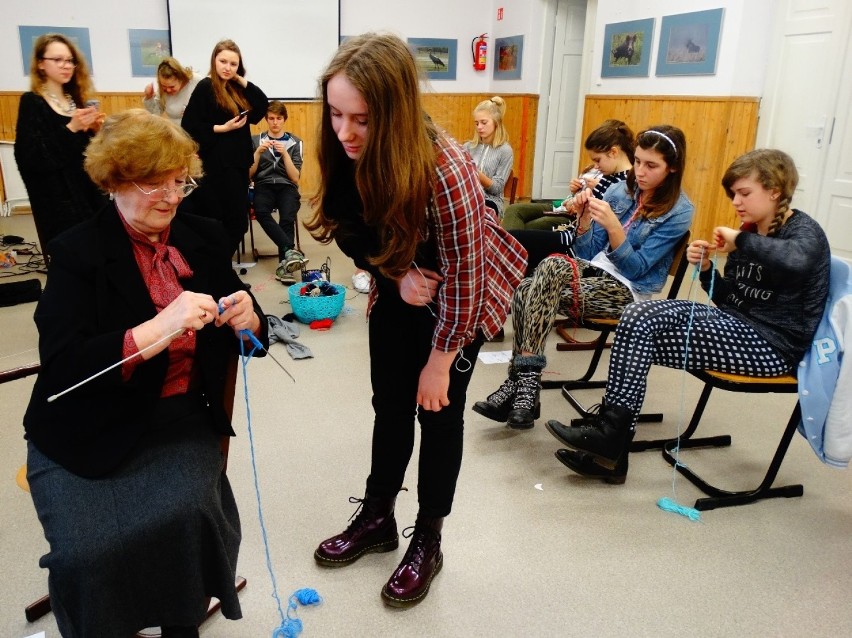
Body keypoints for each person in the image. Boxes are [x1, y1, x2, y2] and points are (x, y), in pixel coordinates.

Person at [23, 109, 268, 637]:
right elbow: (65, 369)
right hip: (84, 426)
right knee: (87, 554)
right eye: (152, 185)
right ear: (113, 183)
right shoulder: (75, 253)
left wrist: (249, 319)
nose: (172, 197)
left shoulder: (201, 238)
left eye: (179, 181)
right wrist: (155, 330)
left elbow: (251, 337)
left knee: (186, 519)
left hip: (175, 420)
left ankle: (178, 619)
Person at [304, 33, 526, 607]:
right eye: (335, 114)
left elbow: (469, 281)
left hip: (459, 302)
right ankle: (378, 517)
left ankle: (429, 537)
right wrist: (394, 274)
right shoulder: (344, 148)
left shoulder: (446, 168)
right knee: (389, 406)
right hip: (400, 290)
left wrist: (441, 362)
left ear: (396, 114)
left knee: (439, 415)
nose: (345, 132)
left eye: (362, 119)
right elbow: (349, 229)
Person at [547, 148, 831, 484]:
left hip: (773, 347)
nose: (736, 202)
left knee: (642, 321)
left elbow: (797, 260)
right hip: (738, 328)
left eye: (744, 193)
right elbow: (730, 302)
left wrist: (739, 240)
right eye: (733, 194)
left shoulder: (803, 232)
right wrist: (708, 270)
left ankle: (610, 442)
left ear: (774, 191)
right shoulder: (751, 231)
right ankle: (611, 446)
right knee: (636, 319)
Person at [473, 126, 694, 430]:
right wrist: (586, 219)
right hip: (590, 275)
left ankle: (520, 384)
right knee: (538, 276)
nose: (640, 172)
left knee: (528, 288)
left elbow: (636, 269)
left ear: (673, 168)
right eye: (639, 161)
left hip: (627, 294)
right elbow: (586, 252)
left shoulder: (679, 210)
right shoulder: (621, 190)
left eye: (651, 165)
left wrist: (615, 229)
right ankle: (526, 386)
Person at [14, 33, 109, 257]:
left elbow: (86, 153)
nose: (66, 66)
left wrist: (95, 132)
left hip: (89, 193)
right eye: (57, 60)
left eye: (69, 60)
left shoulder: (76, 100)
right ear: (40, 64)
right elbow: (31, 158)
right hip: (57, 202)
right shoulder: (32, 102)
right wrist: (72, 128)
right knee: (74, 260)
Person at [181, 39, 268, 254]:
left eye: (233, 64)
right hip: (217, 164)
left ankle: (221, 267)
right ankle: (219, 268)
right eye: (223, 61)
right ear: (214, 60)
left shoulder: (237, 88)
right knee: (223, 219)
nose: (227, 68)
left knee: (237, 222)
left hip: (238, 164)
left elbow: (261, 106)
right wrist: (222, 128)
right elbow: (189, 126)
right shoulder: (205, 87)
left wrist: (241, 80)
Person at [501, 119, 634, 232]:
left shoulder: (622, 181)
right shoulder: (609, 173)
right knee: (515, 211)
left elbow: (596, 221)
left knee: (529, 228)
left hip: (576, 223)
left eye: (598, 160)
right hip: (569, 208)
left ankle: (506, 256)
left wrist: (581, 203)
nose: (596, 166)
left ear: (613, 152)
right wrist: (576, 193)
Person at [249, 100, 307, 283]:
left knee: (287, 216)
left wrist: (286, 155)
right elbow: (249, 174)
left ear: (284, 120)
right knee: (261, 211)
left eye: (279, 118)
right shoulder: (255, 140)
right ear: (266, 119)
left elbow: (295, 177)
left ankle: (285, 267)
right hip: (263, 184)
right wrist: (257, 154)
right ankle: (290, 251)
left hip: (286, 185)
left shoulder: (295, 142)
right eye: (271, 118)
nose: (275, 122)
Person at [463, 96, 514, 218]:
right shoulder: (467, 147)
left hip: (491, 202)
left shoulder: (505, 150)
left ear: (496, 122)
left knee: (473, 210)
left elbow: (497, 188)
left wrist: (474, 172)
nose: (479, 127)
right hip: (467, 197)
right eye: (476, 123)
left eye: (484, 122)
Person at [142, 56, 203, 126]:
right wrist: (149, 97)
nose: (168, 90)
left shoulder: (196, 81)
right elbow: (156, 113)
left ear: (181, 79)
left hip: (197, 128)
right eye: (164, 86)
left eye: (172, 86)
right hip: (176, 130)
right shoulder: (162, 90)